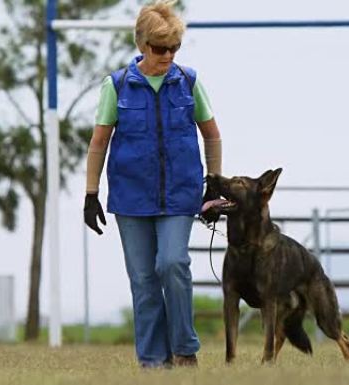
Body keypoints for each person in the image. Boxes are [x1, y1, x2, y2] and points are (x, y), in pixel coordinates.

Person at [83, 0, 222, 368]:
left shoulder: (189, 82)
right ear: (142, 44)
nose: (168, 55)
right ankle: (153, 362)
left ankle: (184, 349)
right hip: (131, 198)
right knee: (143, 281)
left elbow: (212, 135)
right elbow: (99, 142)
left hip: (180, 195)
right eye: (160, 48)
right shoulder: (117, 86)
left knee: (173, 263)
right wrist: (91, 194)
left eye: (174, 48)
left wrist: (214, 183)